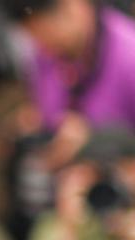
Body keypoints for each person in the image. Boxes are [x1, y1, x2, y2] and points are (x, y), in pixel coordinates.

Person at [8, 0, 135, 169]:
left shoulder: (129, 56)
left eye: (48, 33)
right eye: (37, 38)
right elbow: (49, 110)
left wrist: (95, 141)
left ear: (74, 5)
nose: (45, 47)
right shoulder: (45, 55)